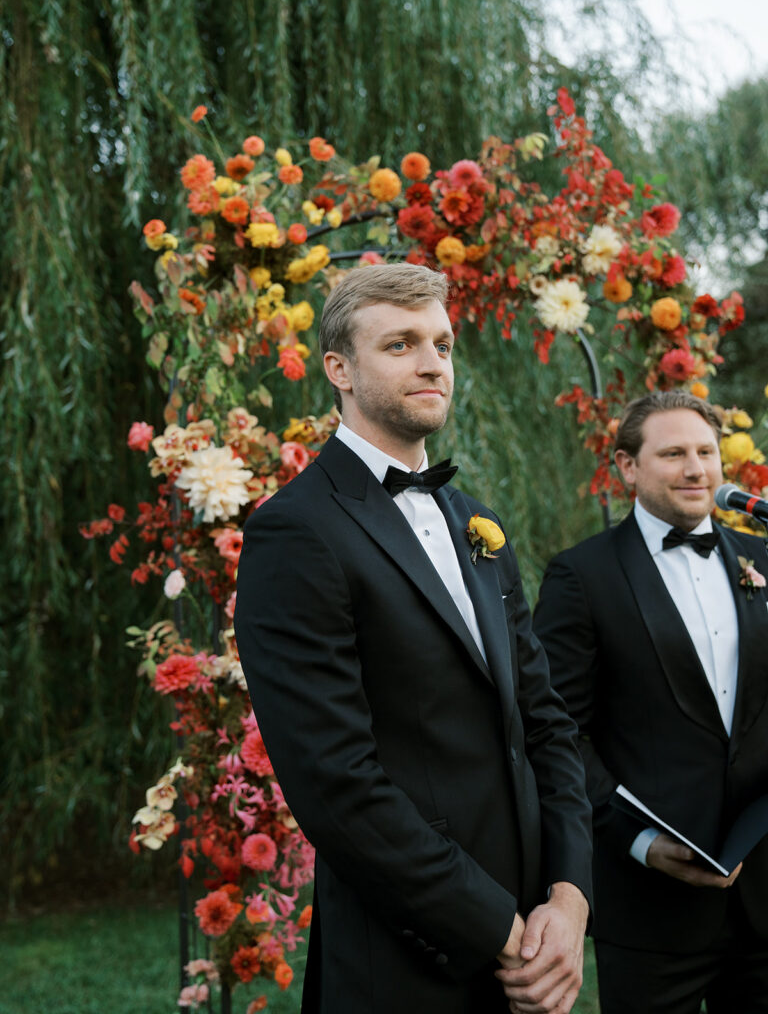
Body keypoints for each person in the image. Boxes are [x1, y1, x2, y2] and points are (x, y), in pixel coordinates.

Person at [234, 263, 592, 1014]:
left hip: (537, 946)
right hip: (405, 961)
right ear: (339, 369)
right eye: (399, 344)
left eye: (443, 343)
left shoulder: (476, 522)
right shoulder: (295, 531)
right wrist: (500, 931)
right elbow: (337, 783)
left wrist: (569, 903)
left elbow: (547, 724)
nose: (432, 362)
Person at [533, 390, 768, 1014]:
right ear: (627, 467)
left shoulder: (761, 559)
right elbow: (558, 732)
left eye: (706, 452)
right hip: (647, 906)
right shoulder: (581, 576)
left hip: (765, 900)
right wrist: (636, 840)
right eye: (673, 454)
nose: (695, 469)